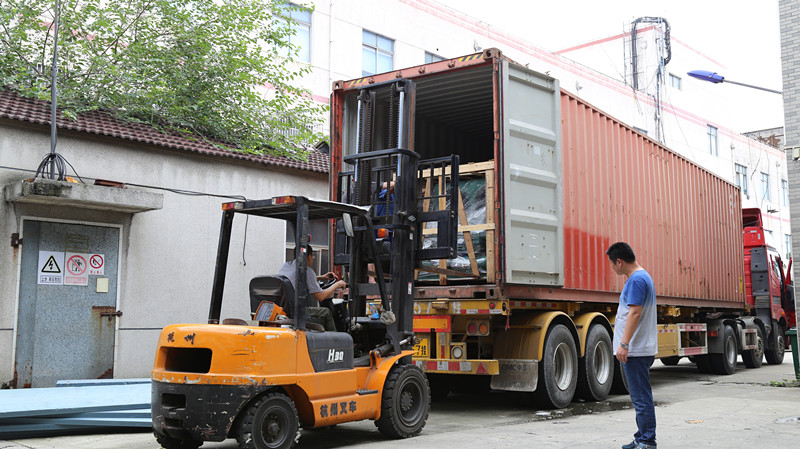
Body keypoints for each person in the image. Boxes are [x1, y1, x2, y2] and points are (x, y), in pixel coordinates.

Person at [606, 242, 657, 449]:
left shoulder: (636, 279)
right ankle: (641, 437)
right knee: (640, 397)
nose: (612, 268)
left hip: (635, 349)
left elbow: (634, 313)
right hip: (638, 348)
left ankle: (647, 441)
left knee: (641, 398)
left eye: (612, 263)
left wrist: (624, 344)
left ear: (619, 261)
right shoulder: (641, 277)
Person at [278, 244, 346, 331]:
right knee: (326, 312)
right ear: (309, 257)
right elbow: (320, 297)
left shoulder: (286, 265)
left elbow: (297, 279)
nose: (313, 258)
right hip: (297, 311)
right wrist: (337, 284)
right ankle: (336, 342)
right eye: (312, 256)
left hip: (284, 307)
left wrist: (322, 277)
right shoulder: (306, 270)